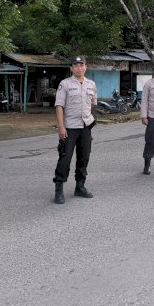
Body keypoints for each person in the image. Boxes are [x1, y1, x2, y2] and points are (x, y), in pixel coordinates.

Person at [53, 56, 97, 204]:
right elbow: (59, 105)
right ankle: (59, 189)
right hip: (69, 128)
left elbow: (92, 104)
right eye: (76, 65)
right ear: (71, 68)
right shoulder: (64, 84)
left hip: (85, 127)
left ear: (86, 67)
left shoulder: (91, 84)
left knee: (84, 158)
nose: (79, 68)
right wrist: (61, 126)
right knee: (65, 159)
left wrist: (89, 118)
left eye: (81, 65)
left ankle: (80, 186)